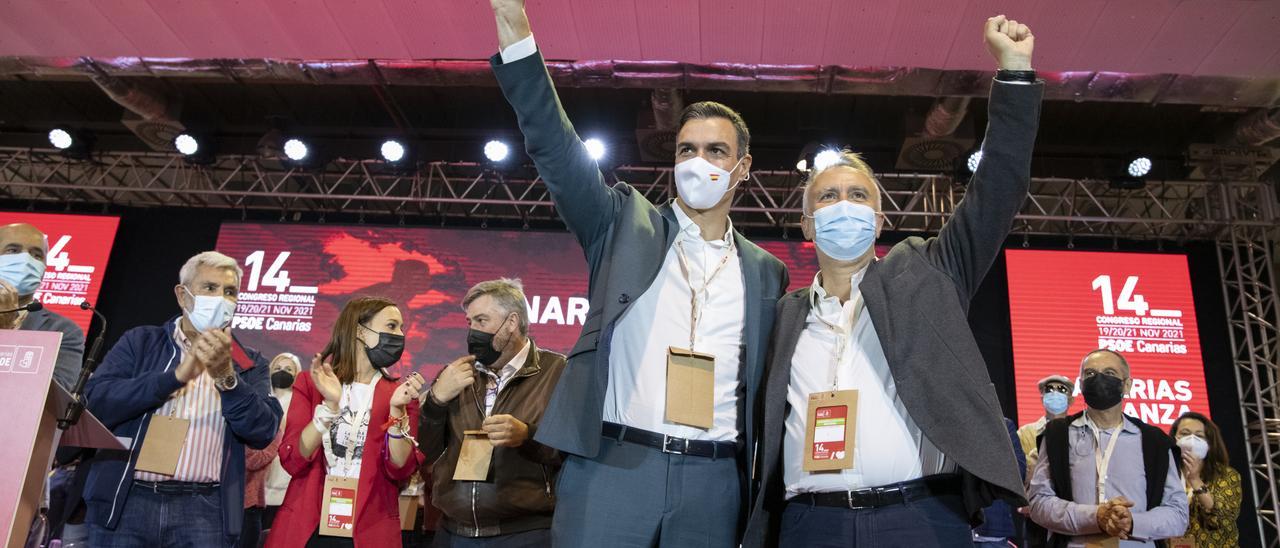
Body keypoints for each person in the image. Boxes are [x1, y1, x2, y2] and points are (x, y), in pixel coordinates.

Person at [486, 2, 789, 546]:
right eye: (687, 150)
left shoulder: (768, 273)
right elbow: (555, 148)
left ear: (741, 169)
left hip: (715, 480)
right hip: (613, 466)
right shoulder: (622, 222)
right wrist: (518, 35)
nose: (700, 162)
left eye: (716, 151)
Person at [744, 16, 1041, 547]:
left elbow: (999, 186)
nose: (844, 208)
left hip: (921, 517)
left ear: (880, 222)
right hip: (810, 524)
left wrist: (1015, 75)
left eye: (859, 196)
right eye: (827, 197)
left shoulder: (927, 272)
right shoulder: (784, 313)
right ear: (808, 225)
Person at [82, 251, 283, 546]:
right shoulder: (141, 342)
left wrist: (228, 378)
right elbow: (95, 402)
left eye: (230, 292)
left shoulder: (250, 362)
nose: (221, 299)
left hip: (204, 509)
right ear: (183, 295)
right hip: (128, 501)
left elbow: (263, 430)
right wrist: (174, 378)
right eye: (210, 288)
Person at [266, 296, 426, 547]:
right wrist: (329, 407)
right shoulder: (311, 383)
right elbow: (293, 460)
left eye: (401, 328)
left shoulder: (400, 395)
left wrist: (397, 410)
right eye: (392, 326)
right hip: (308, 525)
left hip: (370, 527)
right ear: (360, 330)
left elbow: (400, 468)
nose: (400, 335)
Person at [421, 279, 566, 546]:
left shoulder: (558, 372)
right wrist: (435, 400)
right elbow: (424, 452)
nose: (472, 331)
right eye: (470, 323)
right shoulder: (455, 375)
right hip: (454, 533)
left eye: (481, 321)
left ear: (511, 322)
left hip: (525, 534)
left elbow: (575, 454)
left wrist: (528, 436)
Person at [1028, 349, 1189, 547]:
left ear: (1127, 385)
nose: (1099, 379)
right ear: (1081, 385)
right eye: (1090, 374)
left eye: (1110, 373)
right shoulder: (1057, 435)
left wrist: (1133, 522)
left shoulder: (1154, 441)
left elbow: (1178, 513)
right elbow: (1038, 503)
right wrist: (1095, 517)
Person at [0, 222, 85, 390]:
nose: (26, 260)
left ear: (44, 269)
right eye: (13, 250)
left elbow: (54, 394)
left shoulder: (63, 330)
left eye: (37, 255)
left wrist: (5, 334)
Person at [1170, 412, 1241, 547]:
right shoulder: (1166, 473)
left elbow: (1222, 519)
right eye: (1185, 433)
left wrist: (1195, 480)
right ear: (1175, 438)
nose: (1192, 439)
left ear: (1209, 443)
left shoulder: (1226, 475)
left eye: (1199, 436)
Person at [263, 353, 302, 531]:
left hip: (284, 468)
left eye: (288, 369)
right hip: (260, 465)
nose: (282, 372)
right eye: (278, 368)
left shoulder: (300, 401)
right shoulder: (262, 398)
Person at [1019, 375, 1076, 475]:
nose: (1054, 393)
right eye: (1049, 389)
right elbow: (1021, 470)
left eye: (1062, 390)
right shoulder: (1025, 433)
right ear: (1042, 399)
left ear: (1071, 400)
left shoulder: (1081, 432)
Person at [242, 428, 283, 548]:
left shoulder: (273, 431)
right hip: (231, 502)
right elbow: (253, 460)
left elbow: (254, 460)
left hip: (252, 504)